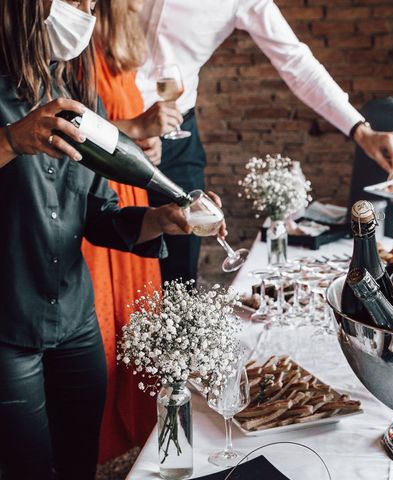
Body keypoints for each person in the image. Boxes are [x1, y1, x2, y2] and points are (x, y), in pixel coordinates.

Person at [0, 1, 218, 478]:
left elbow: (101, 216)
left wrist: (160, 219)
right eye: (76, 1)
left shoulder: (80, 98)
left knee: (80, 465)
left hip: (76, 328)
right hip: (9, 332)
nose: (86, 11)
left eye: (92, 4)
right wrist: (11, 141)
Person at [136, 0, 393, 283]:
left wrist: (360, 129)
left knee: (179, 269)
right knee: (106, 240)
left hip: (176, 133)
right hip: (112, 121)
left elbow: (295, 61)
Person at [86, 0, 185, 463]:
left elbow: (121, 137)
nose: (136, 3)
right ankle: (102, 444)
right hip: (94, 203)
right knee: (107, 321)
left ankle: (140, 436)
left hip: (129, 197)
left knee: (137, 316)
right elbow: (77, 133)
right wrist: (134, 128)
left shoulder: (122, 49)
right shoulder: (76, 50)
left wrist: (145, 148)